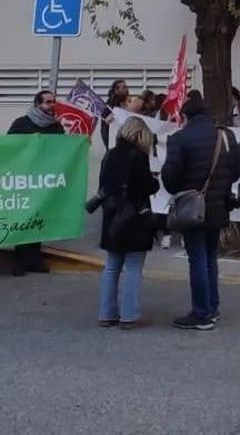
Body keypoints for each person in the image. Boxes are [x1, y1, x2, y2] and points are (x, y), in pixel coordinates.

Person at [161, 93, 240, 331]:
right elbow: (236, 171)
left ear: (185, 116)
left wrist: (186, 189)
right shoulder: (227, 135)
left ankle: (201, 313)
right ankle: (212, 307)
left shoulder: (180, 138)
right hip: (218, 205)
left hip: (192, 207)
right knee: (210, 257)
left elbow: (170, 177)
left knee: (196, 257)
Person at [97, 117, 160, 328]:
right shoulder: (138, 157)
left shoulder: (110, 155)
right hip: (134, 218)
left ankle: (106, 313)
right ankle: (128, 315)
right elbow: (146, 187)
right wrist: (155, 182)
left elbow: (104, 185)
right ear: (140, 135)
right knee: (133, 267)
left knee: (112, 267)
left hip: (112, 216)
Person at [6, 90, 64, 276]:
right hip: (23, 179)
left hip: (43, 180)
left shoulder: (56, 126)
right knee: (23, 220)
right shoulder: (21, 124)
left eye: (53, 102)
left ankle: (35, 260)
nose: (51, 105)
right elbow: (8, 148)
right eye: (48, 102)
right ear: (38, 104)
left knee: (39, 220)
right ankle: (20, 261)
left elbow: (62, 151)